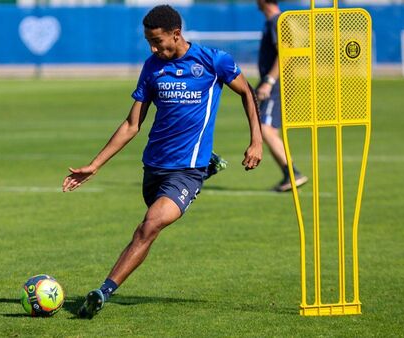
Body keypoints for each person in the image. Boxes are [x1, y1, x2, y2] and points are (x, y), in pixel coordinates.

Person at [62, 4, 262, 319]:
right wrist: (95, 165)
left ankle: (103, 291)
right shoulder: (152, 67)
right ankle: (210, 163)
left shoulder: (213, 61)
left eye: (158, 41)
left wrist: (257, 139)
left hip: (185, 172)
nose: (154, 48)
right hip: (154, 167)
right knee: (150, 218)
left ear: (176, 34)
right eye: (149, 42)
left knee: (149, 227)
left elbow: (247, 92)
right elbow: (131, 124)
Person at [256, 0, 309, 192]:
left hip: (277, 84)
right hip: (279, 83)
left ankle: (293, 174)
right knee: (270, 131)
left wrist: (268, 81)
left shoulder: (277, 21)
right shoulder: (277, 20)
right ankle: (289, 175)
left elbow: (284, 54)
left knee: (264, 129)